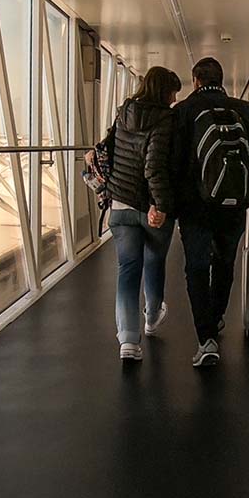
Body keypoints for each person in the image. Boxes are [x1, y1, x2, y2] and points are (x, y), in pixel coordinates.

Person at [172, 57, 249, 367]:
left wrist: (170, 203)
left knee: (196, 267)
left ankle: (205, 338)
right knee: (224, 262)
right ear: (222, 79)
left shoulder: (184, 111)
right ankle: (217, 318)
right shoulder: (242, 109)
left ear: (195, 81)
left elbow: (173, 163)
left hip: (194, 207)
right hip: (233, 206)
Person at [90, 66, 182, 361]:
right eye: (173, 92)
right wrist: (162, 205)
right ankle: (152, 317)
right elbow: (154, 166)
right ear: (163, 91)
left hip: (120, 204)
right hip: (150, 207)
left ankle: (128, 341)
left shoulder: (123, 112)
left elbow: (110, 149)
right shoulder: (165, 119)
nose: (173, 98)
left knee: (128, 270)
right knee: (154, 261)